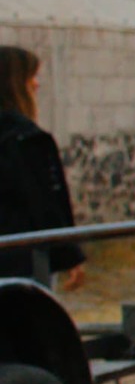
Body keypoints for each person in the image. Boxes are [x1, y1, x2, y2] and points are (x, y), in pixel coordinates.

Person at [0, 46, 87, 290]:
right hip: (22, 262)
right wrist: (70, 254)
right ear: (15, 84)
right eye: (31, 77)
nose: (37, 85)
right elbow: (44, 202)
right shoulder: (27, 140)